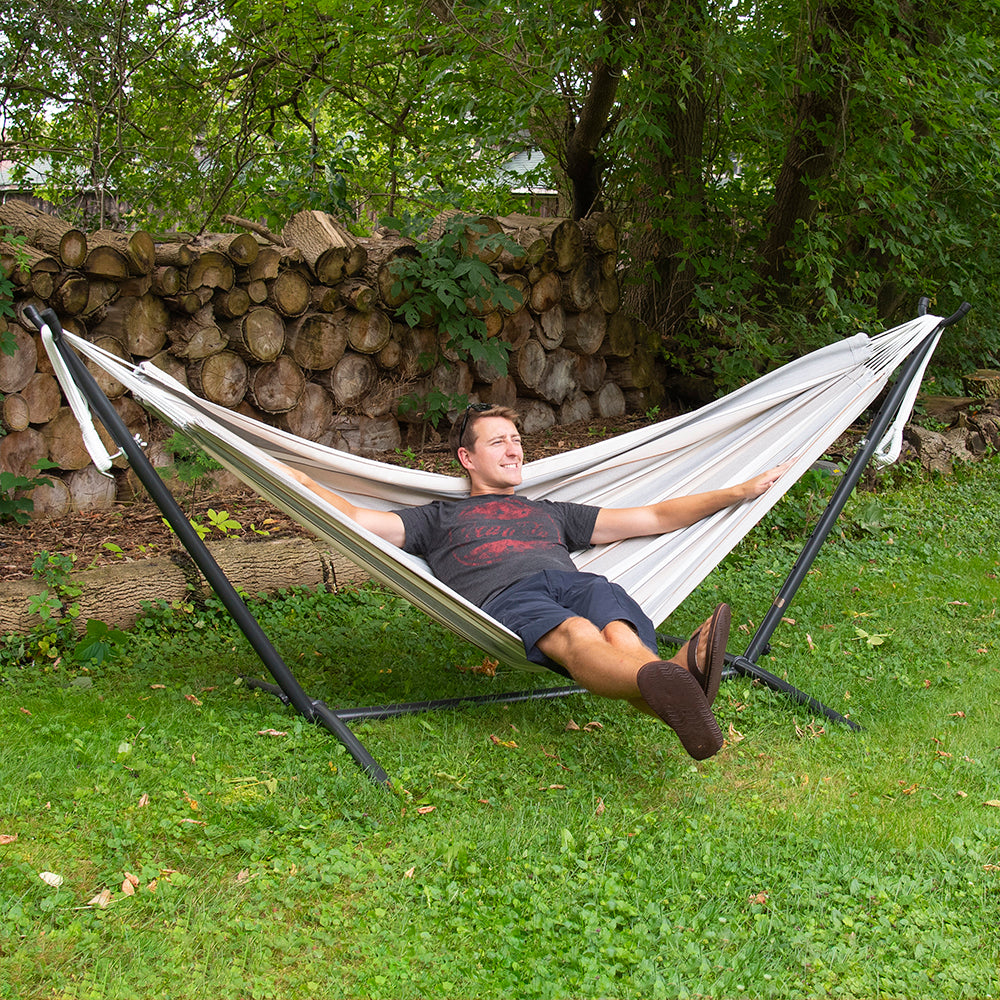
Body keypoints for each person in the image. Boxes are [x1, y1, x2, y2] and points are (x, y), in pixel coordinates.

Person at [284, 404, 790, 760]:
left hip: (577, 584)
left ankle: (672, 687)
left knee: (618, 631)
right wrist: (298, 479)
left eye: (517, 441)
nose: (514, 450)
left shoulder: (552, 512)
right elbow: (358, 519)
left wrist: (737, 491)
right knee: (577, 634)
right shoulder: (436, 518)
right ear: (467, 458)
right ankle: (675, 678)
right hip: (508, 596)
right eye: (498, 442)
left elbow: (654, 516)